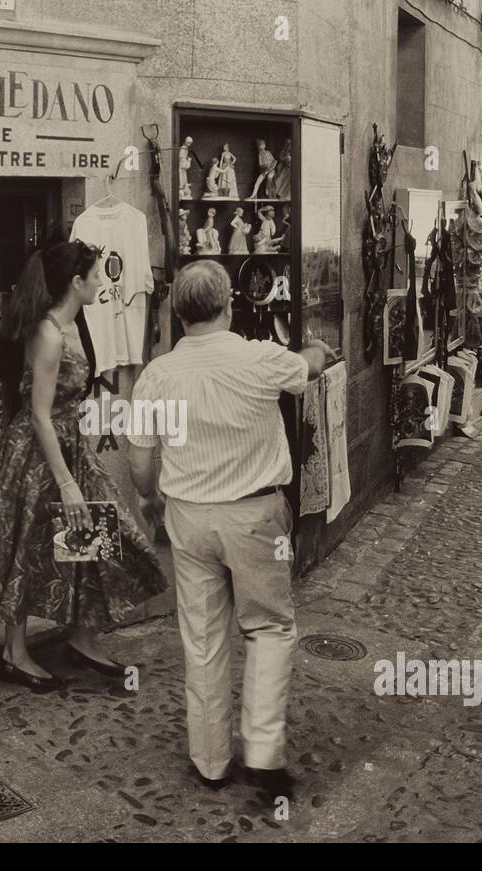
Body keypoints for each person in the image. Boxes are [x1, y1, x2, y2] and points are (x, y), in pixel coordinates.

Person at [126, 260, 332, 799]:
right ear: (229, 305)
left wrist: (149, 501)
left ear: (178, 312)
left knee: (202, 637)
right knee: (267, 628)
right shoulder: (258, 358)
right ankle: (262, 753)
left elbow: (141, 460)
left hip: (188, 515)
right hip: (255, 515)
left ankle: (211, 759)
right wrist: (315, 350)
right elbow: (306, 369)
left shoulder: (156, 375)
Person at [0, 241, 168, 691]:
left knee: (97, 534)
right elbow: (38, 413)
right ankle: (13, 653)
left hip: (71, 443)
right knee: (25, 544)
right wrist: (67, 483)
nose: (102, 281)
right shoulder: (49, 333)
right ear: (76, 282)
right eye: (96, 275)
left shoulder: (77, 324)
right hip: (38, 453)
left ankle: (82, 636)